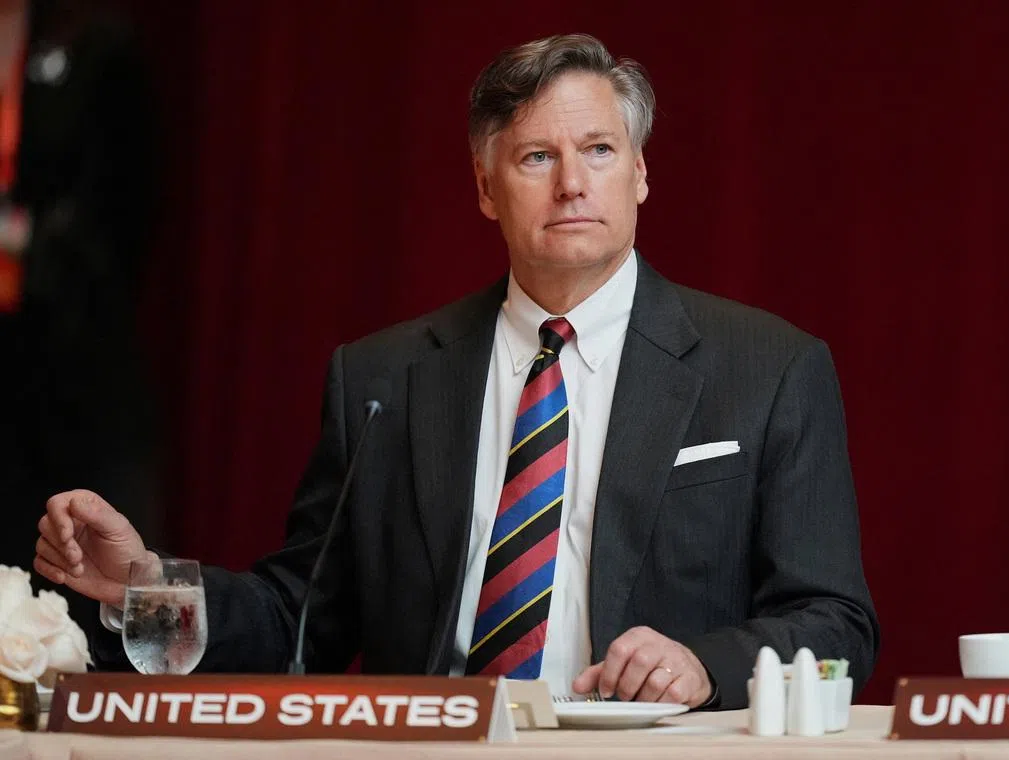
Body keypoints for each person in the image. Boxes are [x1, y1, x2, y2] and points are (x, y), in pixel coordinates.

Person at [32, 33, 878, 710]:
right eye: (537, 157)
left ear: (641, 173)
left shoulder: (767, 368)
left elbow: (836, 622)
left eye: (599, 150)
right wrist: (148, 591)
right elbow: (300, 617)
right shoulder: (382, 378)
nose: (573, 184)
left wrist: (703, 664)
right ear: (484, 186)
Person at [0, 0, 158, 571]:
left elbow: (126, 205)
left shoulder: (93, 43)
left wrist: (29, 240)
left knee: (61, 552)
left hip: (65, 351)